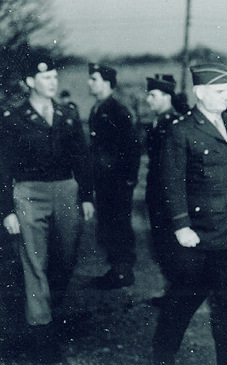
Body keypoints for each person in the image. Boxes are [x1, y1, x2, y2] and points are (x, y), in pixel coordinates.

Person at [152, 63, 227, 365]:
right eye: (219, 91)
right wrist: (181, 226)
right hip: (200, 235)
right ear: (199, 92)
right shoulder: (182, 130)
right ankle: (163, 354)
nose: (226, 97)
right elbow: (171, 183)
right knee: (184, 300)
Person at [0, 54, 94, 363]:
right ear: (30, 82)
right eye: (46, 78)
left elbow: (82, 156)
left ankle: (48, 314)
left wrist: (87, 196)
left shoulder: (68, 113)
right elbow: (2, 165)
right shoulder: (12, 117)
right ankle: (42, 337)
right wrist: (7, 210)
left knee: (65, 259)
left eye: (55, 77)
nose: (53, 82)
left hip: (66, 190)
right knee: (33, 263)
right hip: (28, 193)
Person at [87, 63, 140, 290]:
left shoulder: (117, 110)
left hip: (117, 181)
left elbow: (132, 146)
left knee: (119, 224)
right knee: (108, 224)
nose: (89, 83)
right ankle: (116, 270)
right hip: (105, 180)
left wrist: (128, 178)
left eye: (94, 79)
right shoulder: (98, 108)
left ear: (107, 83)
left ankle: (123, 272)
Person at [144, 74, 182, 293]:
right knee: (162, 243)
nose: (148, 99)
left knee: (170, 244)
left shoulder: (173, 123)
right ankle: (172, 291)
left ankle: (176, 294)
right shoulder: (157, 122)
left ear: (167, 96)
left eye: (153, 95)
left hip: (168, 195)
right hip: (157, 193)